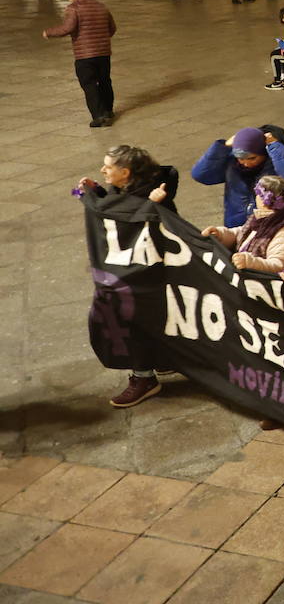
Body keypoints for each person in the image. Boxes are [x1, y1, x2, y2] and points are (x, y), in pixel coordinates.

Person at [79, 145, 179, 408]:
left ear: (125, 172)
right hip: (130, 277)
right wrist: (99, 193)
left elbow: (139, 220)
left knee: (133, 323)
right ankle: (159, 361)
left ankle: (144, 377)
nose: (102, 170)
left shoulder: (157, 198)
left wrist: (158, 206)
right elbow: (119, 209)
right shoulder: (126, 193)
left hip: (144, 279)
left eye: (108, 167)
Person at [192, 125, 284, 226]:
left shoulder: (278, 161)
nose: (245, 163)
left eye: (252, 158)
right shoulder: (232, 163)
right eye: (240, 158)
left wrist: (275, 147)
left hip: (274, 227)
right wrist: (222, 147)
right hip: (237, 227)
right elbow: (201, 175)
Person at [201, 176, 284, 275]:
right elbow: (243, 234)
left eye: (259, 195)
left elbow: (280, 266)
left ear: (265, 200)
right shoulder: (261, 218)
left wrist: (250, 263)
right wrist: (221, 235)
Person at [42, 0, 117, 127]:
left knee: (89, 84)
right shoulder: (101, 6)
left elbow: (67, 28)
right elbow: (112, 28)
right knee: (105, 81)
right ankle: (108, 110)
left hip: (85, 55)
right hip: (103, 53)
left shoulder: (73, 8)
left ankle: (98, 115)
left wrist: (49, 32)